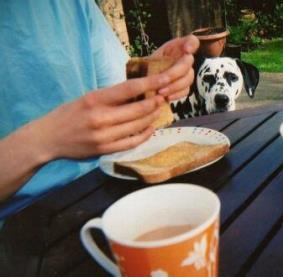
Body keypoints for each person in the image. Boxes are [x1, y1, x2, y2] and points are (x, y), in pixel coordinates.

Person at [0, 0, 199, 219]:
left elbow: (118, 97)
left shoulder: (74, 5)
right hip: (18, 224)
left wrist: (155, 78)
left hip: (104, 188)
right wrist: (45, 140)